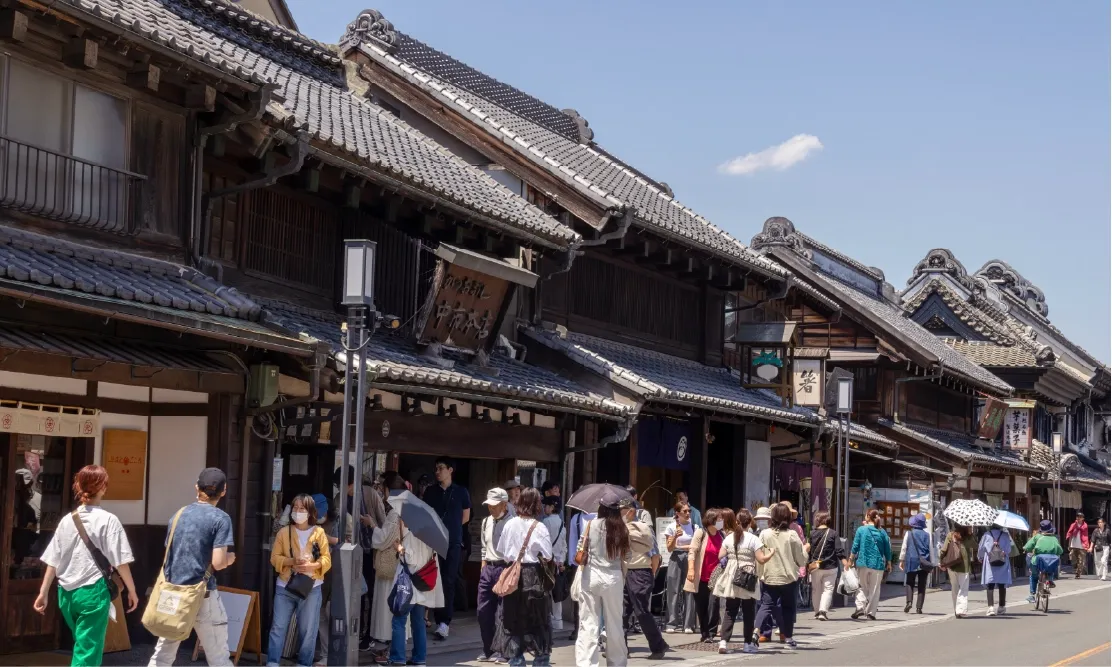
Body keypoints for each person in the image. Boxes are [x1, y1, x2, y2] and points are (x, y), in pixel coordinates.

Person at [34, 465, 138, 667]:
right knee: (87, 652)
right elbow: (120, 561)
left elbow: (53, 559)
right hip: (93, 592)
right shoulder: (109, 520)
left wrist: (43, 591)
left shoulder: (67, 520)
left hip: (66, 594)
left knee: (82, 646)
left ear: (78, 486)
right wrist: (132, 590)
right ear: (103, 488)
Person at [148, 468, 237, 667]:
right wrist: (230, 557)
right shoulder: (221, 519)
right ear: (223, 491)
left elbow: (169, 554)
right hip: (202, 593)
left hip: (173, 592)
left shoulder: (178, 515)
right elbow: (218, 562)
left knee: (162, 655)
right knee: (218, 658)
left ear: (197, 488)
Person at [267, 494, 331, 667]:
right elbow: (275, 558)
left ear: (310, 511)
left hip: (312, 587)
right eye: (295, 508)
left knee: (308, 630)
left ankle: (304, 663)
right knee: (278, 627)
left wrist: (312, 566)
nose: (297, 511)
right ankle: (272, 662)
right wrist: (291, 562)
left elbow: (327, 560)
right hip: (285, 585)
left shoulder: (318, 533)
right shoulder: (284, 532)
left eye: (302, 508)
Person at [496, 487, 554, 667]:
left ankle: (516, 660)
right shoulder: (540, 527)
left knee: (514, 620)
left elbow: (503, 553)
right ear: (537, 505)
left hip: (513, 575)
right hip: (533, 576)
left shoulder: (509, 524)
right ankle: (540, 660)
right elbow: (548, 555)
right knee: (539, 620)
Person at [333, 465, 386, 652]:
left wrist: (373, 527)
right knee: (356, 594)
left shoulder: (370, 494)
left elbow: (383, 521)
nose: (343, 490)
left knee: (371, 593)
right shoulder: (339, 499)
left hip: (371, 551)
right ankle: (355, 632)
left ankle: (369, 634)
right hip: (350, 552)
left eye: (345, 485)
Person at [574, 491, 630, 667]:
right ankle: (617, 662)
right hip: (613, 577)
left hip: (591, 576)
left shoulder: (591, 524)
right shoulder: (622, 528)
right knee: (614, 623)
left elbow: (580, 547)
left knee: (588, 623)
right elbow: (627, 555)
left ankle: (587, 663)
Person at [422, 457, 471, 640]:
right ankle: (428, 617)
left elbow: (465, 516)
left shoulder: (461, 492)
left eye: (441, 468)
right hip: (433, 540)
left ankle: (444, 622)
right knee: (432, 578)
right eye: (436, 468)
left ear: (450, 470)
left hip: (453, 542)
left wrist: (450, 529)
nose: (437, 471)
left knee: (449, 581)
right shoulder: (430, 491)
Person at [387, 517, 444, 666]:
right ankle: (419, 658)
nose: (402, 521)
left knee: (399, 620)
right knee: (418, 622)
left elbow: (410, 559)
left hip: (408, 586)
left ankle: (398, 658)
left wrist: (399, 548)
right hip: (421, 587)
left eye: (404, 518)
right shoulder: (429, 538)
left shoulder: (412, 536)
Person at [753, 503, 806, 649]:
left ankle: (756, 631)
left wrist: (760, 573)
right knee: (788, 608)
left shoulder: (765, 534)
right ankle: (788, 638)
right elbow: (801, 559)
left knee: (766, 606)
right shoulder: (792, 534)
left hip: (769, 576)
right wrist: (805, 551)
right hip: (788, 577)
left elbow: (760, 555)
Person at [621, 498, 667, 660]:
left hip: (640, 572)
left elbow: (655, 555)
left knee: (642, 612)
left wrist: (651, 574)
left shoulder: (644, 529)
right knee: (622, 612)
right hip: (625, 573)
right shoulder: (621, 529)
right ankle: (621, 648)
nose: (620, 513)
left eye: (622, 510)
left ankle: (658, 645)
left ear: (631, 511)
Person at [714, 508, 762, 655]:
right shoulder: (754, 539)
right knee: (748, 611)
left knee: (730, 610)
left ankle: (723, 642)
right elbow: (760, 558)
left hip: (732, 574)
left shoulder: (729, 537)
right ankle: (747, 644)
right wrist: (770, 554)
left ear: (736, 521)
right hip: (747, 575)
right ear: (750, 522)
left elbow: (720, 555)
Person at [369, 474, 407, 663]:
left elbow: (383, 539)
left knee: (387, 607)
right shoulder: (406, 510)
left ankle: (387, 647)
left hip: (391, 565)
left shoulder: (394, 513)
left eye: (383, 489)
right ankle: (394, 648)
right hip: (402, 564)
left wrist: (372, 525)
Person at [476, 487, 512, 663]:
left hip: (504, 568)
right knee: (483, 611)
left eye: (494, 505)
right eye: (489, 505)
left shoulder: (513, 523)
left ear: (504, 504)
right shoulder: (486, 521)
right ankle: (488, 649)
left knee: (503, 613)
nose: (491, 508)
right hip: (488, 569)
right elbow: (484, 547)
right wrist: (483, 566)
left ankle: (504, 651)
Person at [684, 508, 723, 642]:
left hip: (716, 576)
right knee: (701, 605)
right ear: (711, 520)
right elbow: (692, 551)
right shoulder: (701, 533)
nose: (721, 521)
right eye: (719, 519)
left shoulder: (721, 535)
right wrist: (690, 569)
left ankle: (711, 633)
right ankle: (705, 633)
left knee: (714, 604)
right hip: (701, 576)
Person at [849, 508, 891, 621]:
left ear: (867, 516)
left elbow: (855, 546)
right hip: (877, 564)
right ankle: (871, 612)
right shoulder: (882, 532)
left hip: (863, 562)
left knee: (861, 586)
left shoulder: (861, 530)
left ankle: (860, 607)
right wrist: (889, 562)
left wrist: (850, 560)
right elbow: (887, 548)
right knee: (875, 589)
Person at [663, 502, 696, 634]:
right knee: (673, 590)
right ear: (677, 513)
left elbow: (694, 546)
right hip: (676, 558)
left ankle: (688, 624)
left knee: (689, 590)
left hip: (690, 558)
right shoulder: (671, 527)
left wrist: (682, 546)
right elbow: (670, 548)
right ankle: (672, 622)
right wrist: (676, 536)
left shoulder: (694, 526)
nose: (688, 513)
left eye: (689, 511)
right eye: (684, 511)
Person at [807, 511, 846, 621]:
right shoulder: (833, 533)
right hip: (831, 566)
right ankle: (823, 611)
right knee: (828, 590)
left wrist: (807, 564)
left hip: (815, 566)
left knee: (816, 590)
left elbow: (809, 551)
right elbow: (839, 550)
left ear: (818, 520)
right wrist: (844, 562)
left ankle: (816, 611)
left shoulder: (812, 533)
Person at [939, 524, 978, 618]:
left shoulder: (951, 535)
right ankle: (961, 610)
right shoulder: (968, 537)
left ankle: (956, 610)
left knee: (955, 588)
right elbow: (976, 546)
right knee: (963, 589)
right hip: (964, 566)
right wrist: (971, 534)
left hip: (952, 565)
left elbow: (944, 549)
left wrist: (941, 561)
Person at [540, 496, 567, 632]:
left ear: (552, 507)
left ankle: (547, 618)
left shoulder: (545, 522)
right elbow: (564, 545)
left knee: (546, 591)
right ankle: (558, 620)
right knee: (557, 592)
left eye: (546, 506)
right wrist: (561, 560)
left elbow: (543, 543)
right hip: (558, 562)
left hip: (547, 561)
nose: (544, 508)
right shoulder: (562, 524)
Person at [898, 513, 932, 615]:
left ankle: (909, 602)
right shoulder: (927, 535)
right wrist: (932, 563)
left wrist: (901, 560)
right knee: (922, 585)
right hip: (924, 561)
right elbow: (931, 549)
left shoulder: (909, 533)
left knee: (909, 582)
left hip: (911, 560)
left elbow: (904, 548)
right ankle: (919, 608)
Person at [1024, 520, 1064, 603]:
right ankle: (1050, 580)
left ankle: (1032, 595)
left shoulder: (1037, 537)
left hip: (1038, 561)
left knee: (1033, 575)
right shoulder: (1054, 539)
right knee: (1051, 567)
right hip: (1051, 561)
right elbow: (1060, 551)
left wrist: (1026, 549)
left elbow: (1027, 547)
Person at [978, 523, 1013, 616]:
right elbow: (1009, 549)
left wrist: (980, 557)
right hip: (1003, 560)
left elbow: (981, 548)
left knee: (990, 583)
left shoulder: (986, 534)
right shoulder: (1005, 535)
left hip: (990, 561)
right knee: (1002, 583)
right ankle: (1001, 607)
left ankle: (991, 607)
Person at [1066, 512, 1090, 578]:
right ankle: (1076, 568)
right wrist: (1068, 541)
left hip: (1082, 545)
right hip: (1073, 544)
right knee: (1072, 558)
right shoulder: (1073, 525)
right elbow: (1069, 532)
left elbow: (1085, 535)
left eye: (1080, 517)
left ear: (1083, 518)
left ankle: (1078, 573)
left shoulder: (1085, 525)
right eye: (1078, 517)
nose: (1079, 518)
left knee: (1081, 560)